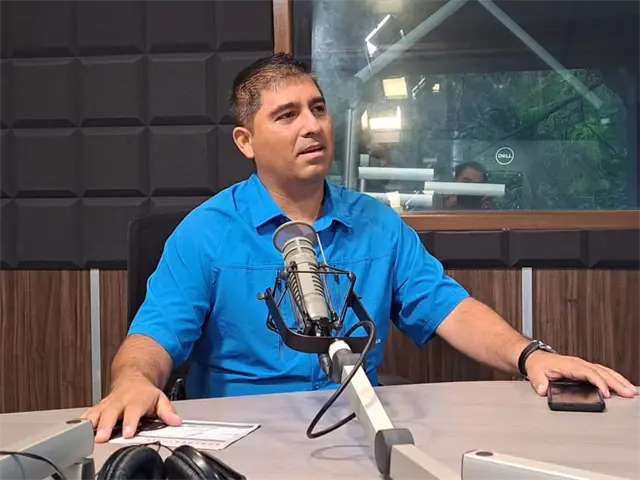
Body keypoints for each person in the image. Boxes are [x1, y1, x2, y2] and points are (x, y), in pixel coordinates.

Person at [82, 53, 637, 443]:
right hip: (241, 434)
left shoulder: (378, 224)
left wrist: (531, 355)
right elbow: (153, 335)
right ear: (245, 141)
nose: (312, 126)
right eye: (287, 115)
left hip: (354, 425)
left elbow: (449, 307)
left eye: (318, 108)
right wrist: (132, 381)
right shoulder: (204, 233)